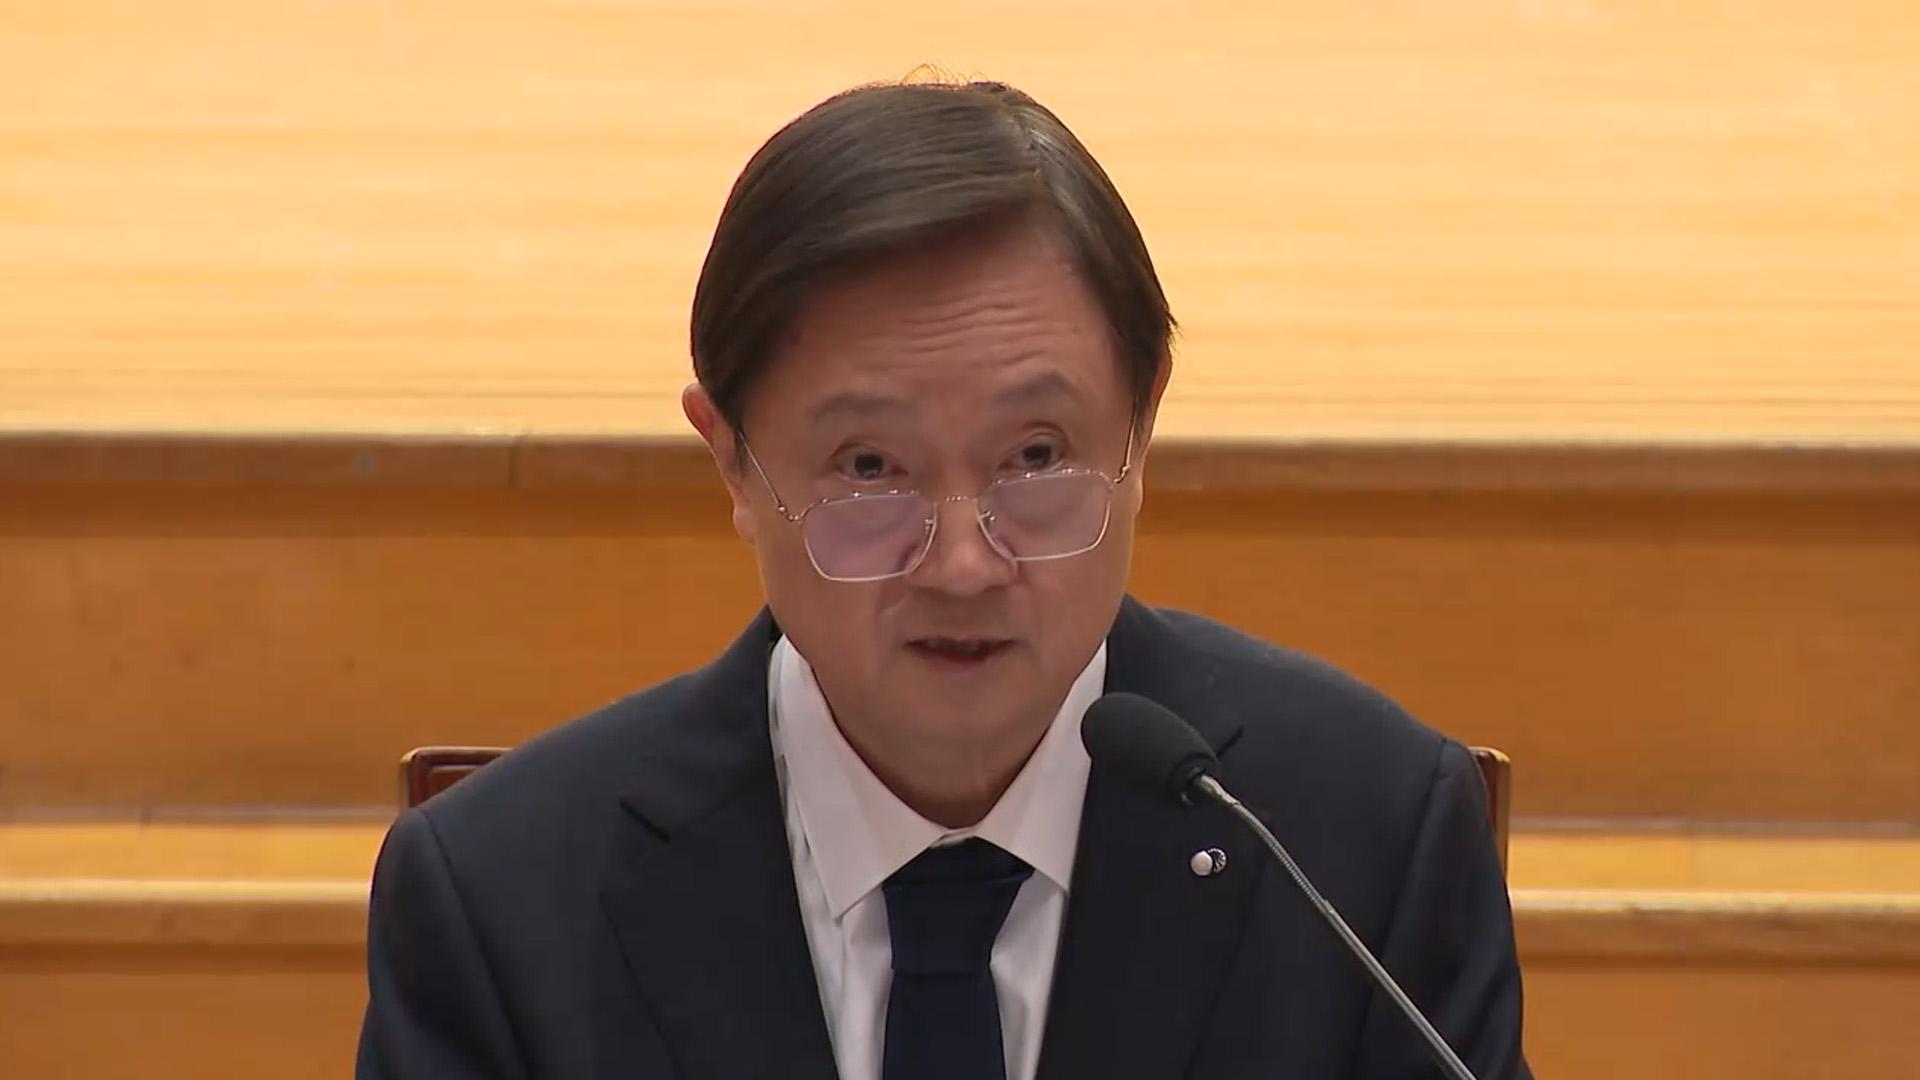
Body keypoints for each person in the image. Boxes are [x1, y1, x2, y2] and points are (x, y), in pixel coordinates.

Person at [357, 79, 1531, 1080]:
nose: (964, 565)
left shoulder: (1361, 847)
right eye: (870, 469)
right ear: (732, 461)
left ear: (1141, 433)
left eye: (1037, 459)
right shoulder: (503, 903)